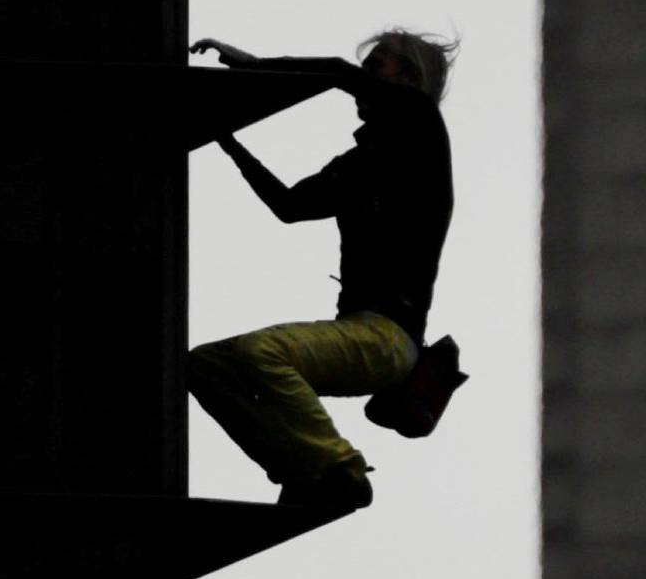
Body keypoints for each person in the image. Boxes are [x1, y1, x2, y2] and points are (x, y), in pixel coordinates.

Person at [186, 29, 456, 520]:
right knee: (205, 366)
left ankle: (341, 467)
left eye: (377, 66)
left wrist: (254, 66)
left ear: (409, 78)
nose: (365, 78)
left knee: (261, 353)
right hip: (362, 336)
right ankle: (304, 472)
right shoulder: (363, 163)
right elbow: (289, 206)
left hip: (386, 339)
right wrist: (227, 140)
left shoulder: (419, 119)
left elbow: (334, 72)